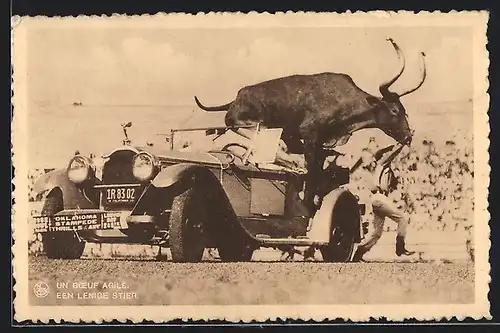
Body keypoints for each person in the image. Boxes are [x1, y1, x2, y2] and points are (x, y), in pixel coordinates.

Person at [351, 143, 416, 262]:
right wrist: (401, 145)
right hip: (380, 198)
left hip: (378, 199)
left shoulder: (384, 169)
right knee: (402, 219)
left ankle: (358, 254)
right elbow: (391, 155)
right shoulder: (381, 165)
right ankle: (400, 248)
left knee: (376, 234)